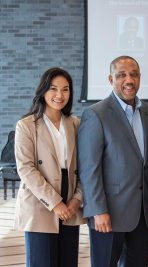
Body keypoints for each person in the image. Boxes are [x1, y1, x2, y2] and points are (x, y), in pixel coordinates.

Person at [77, 55, 148, 267]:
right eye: (121, 75)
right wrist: (98, 210)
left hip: (144, 215)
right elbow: (89, 169)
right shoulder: (95, 114)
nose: (129, 80)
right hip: (108, 215)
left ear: (140, 78)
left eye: (134, 75)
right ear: (110, 79)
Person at [14, 67, 85, 267]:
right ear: (43, 90)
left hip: (70, 201)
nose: (59, 95)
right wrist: (56, 203)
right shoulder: (26, 125)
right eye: (53, 89)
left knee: (68, 261)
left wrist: (77, 200)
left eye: (65, 89)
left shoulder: (76, 124)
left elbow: (85, 167)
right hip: (40, 201)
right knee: (42, 262)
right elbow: (26, 169)